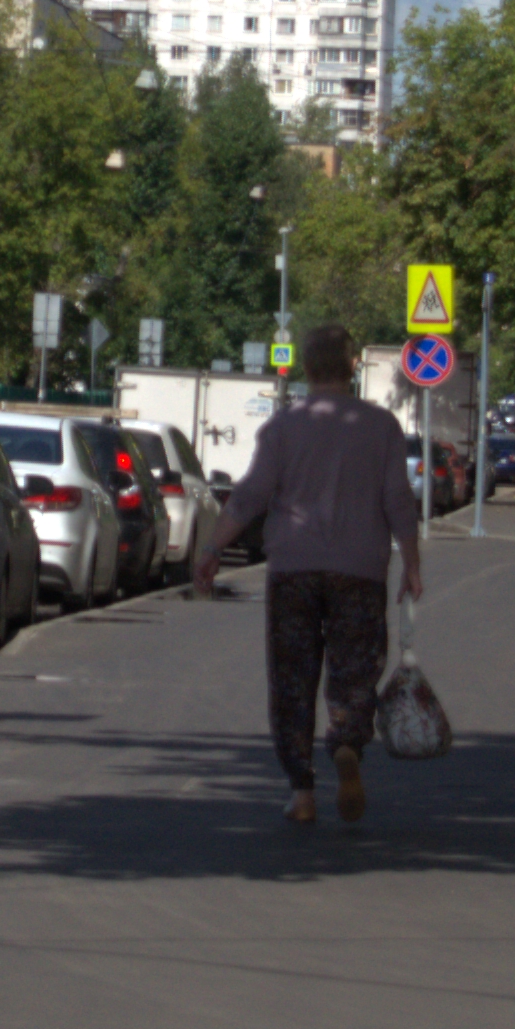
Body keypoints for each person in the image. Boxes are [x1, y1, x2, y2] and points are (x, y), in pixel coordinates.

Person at [193, 325, 427, 827]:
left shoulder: (282, 428)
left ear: (305, 367)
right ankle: (345, 745)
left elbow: (251, 495)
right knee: (355, 670)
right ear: (351, 368)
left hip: (293, 569)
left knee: (292, 679)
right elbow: (397, 501)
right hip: (360, 572)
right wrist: (411, 560)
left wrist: (213, 548)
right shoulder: (381, 425)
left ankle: (301, 790)